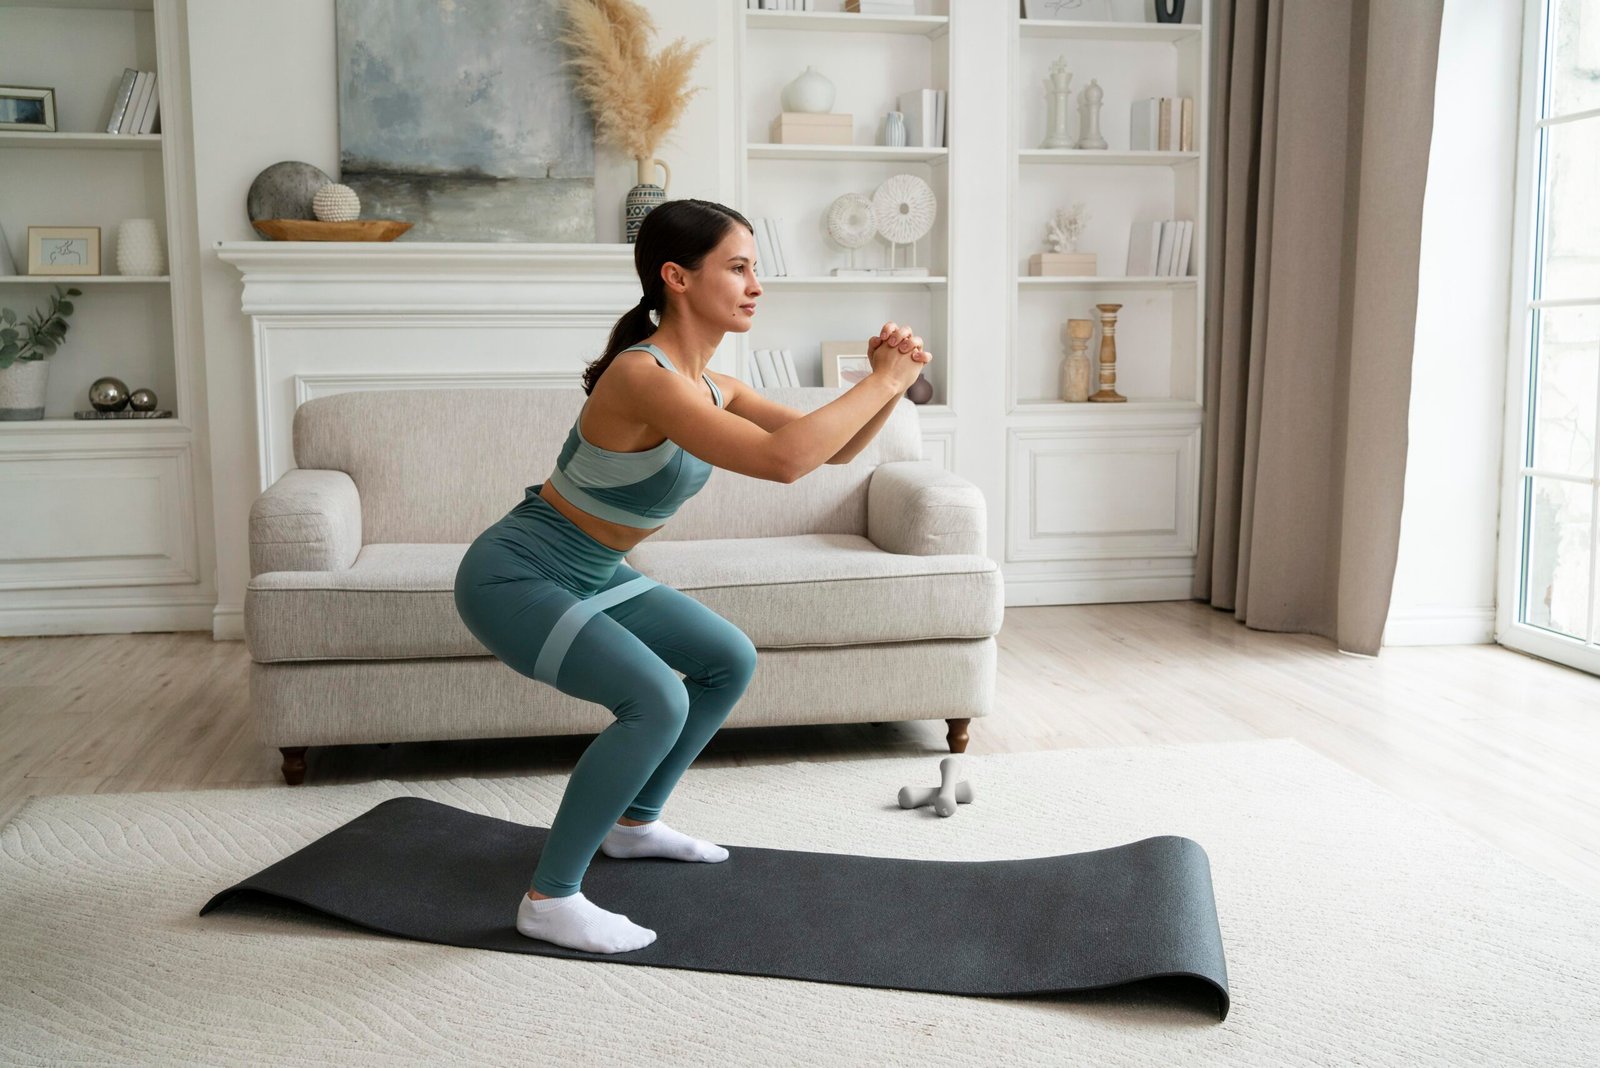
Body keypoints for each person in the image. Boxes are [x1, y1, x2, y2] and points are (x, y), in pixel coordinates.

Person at [452, 198, 932, 954]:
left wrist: (890, 385)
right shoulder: (643, 376)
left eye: (754, 269)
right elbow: (784, 463)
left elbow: (830, 453)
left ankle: (633, 824)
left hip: (593, 569)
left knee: (726, 659)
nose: (755, 285)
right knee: (655, 698)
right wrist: (879, 382)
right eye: (738, 267)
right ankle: (549, 899)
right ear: (676, 277)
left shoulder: (716, 384)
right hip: (518, 573)